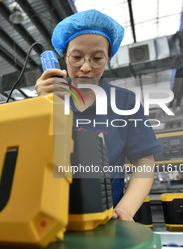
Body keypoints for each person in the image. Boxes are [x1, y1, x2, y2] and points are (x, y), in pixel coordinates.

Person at [35, 9, 162, 221]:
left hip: (107, 216)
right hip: (49, 214)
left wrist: (126, 210)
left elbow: (144, 162)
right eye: (76, 57)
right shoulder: (48, 99)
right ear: (64, 56)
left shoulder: (125, 102)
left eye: (97, 58)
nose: (86, 67)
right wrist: (41, 105)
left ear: (107, 59)